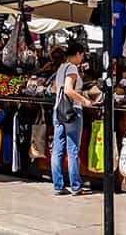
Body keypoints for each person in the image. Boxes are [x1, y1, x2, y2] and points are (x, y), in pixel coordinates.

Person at [52, 40, 92, 195]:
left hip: (58, 111)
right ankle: (75, 186)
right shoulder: (72, 67)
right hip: (72, 111)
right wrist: (84, 101)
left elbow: (56, 89)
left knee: (57, 149)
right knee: (73, 149)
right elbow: (68, 90)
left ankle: (58, 185)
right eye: (82, 55)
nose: (82, 58)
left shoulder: (61, 68)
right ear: (77, 54)